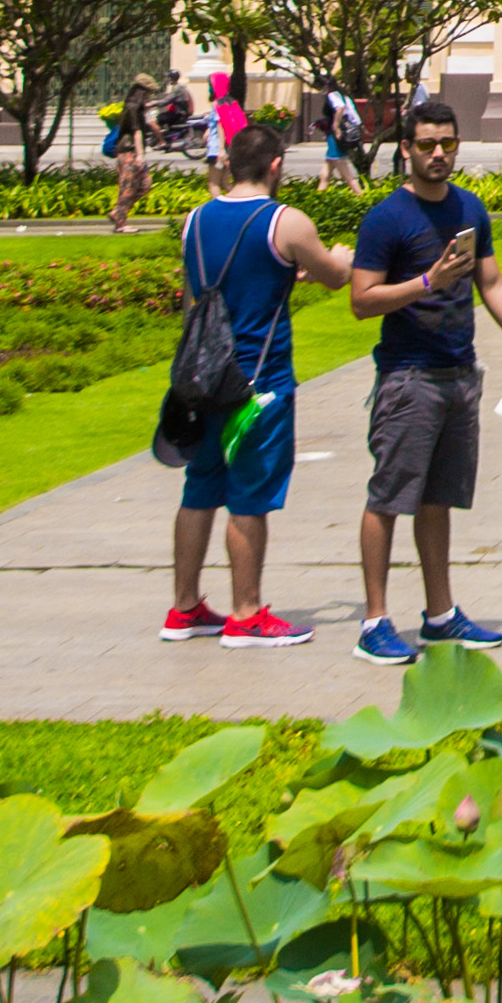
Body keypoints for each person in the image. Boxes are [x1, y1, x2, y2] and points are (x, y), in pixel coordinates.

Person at [158, 119, 395, 648]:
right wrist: (342, 258)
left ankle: (184, 608)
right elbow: (336, 277)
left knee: (199, 488)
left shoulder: (195, 220)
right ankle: (246, 614)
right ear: (275, 166)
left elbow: (194, 298)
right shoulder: (285, 221)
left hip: (202, 378)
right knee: (249, 496)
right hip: (258, 384)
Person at [343, 91, 502, 666]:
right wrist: (426, 283)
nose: (438, 154)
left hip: (460, 375)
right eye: (427, 144)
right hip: (408, 378)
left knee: (438, 500)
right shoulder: (387, 218)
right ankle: (375, 622)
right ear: (406, 149)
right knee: (388, 497)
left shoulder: (468, 209)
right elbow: (362, 301)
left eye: (447, 144)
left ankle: (439, 615)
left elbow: (493, 283)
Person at [104, 77, 156, 233]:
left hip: (128, 152)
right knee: (128, 187)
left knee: (144, 185)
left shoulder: (135, 107)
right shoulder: (132, 108)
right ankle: (120, 223)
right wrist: (140, 155)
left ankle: (118, 212)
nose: (149, 97)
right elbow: (136, 131)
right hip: (128, 152)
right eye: (148, 94)